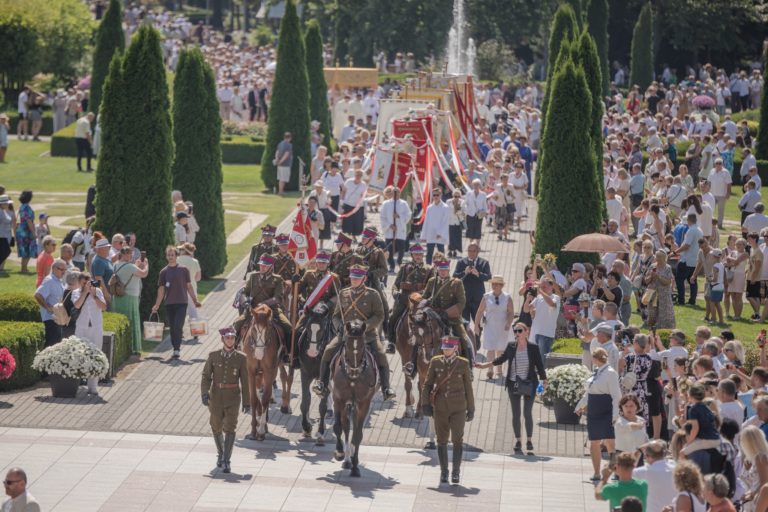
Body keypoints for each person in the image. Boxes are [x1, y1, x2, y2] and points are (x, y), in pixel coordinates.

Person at [314, 264, 395, 400]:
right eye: (353, 278)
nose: (354, 280)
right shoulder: (343, 293)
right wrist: (341, 327)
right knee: (328, 350)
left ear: (363, 278)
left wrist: (365, 325)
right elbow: (336, 316)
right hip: (346, 334)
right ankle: (322, 383)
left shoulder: (372, 294)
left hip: (367, 335)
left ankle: (386, 388)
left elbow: (379, 315)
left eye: (357, 278)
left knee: (381, 355)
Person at [477, 322, 546, 453]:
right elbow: (501, 359)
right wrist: (485, 365)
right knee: (516, 414)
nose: (517, 333)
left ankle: (529, 440)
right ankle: (518, 440)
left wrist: (544, 381)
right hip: (513, 384)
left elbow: (540, 366)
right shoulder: (511, 346)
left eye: (520, 331)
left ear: (527, 332)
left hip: (529, 384)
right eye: (515, 331)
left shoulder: (533, 348)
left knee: (527, 413)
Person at [422, 335, 475, 485]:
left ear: (455, 348)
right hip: (440, 408)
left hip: (458, 407)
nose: (446, 351)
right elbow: (427, 384)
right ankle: (444, 472)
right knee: (441, 441)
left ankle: (456, 472)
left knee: (457, 440)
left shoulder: (463, 363)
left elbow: (468, 388)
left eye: (449, 348)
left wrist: (471, 408)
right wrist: (425, 404)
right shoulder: (435, 361)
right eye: (444, 348)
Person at [201, 326, 250, 474]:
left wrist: (247, 402)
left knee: (230, 427)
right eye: (227, 338)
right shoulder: (213, 356)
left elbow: (245, 381)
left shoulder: (241, 358)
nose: (230, 340)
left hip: (233, 398)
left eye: (232, 338)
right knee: (216, 426)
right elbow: (206, 376)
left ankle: (226, 460)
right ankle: (221, 453)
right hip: (215, 397)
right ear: (223, 339)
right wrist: (204, 393)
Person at [576, 347, 622, 480]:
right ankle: (596, 472)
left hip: (606, 410)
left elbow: (616, 396)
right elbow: (589, 392)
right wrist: (579, 406)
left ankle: (616, 471)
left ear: (596, 359)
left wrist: (615, 416)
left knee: (610, 442)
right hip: (594, 411)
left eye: (593, 357)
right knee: (594, 441)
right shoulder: (596, 372)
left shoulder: (610, 373)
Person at [421, 256, 475, 367]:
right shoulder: (432, 282)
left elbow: (461, 303)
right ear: (437, 270)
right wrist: (425, 304)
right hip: (433, 317)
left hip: (451, 319)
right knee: (418, 336)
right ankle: (412, 365)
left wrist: (446, 313)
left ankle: (469, 367)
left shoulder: (456, 283)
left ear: (449, 270)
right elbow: (424, 298)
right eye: (441, 270)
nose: (443, 272)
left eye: (445, 270)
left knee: (465, 340)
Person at [151, 246, 202, 359]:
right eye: (168, 255)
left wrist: (195, 300)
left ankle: (177, 349)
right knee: (173, 327)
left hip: (182, 302)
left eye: (172, 255)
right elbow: (161, 290)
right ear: (166, 256)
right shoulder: (163, 272)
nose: (170, 257)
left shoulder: (183, 270)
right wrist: (157, 305)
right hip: (169, 303)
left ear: (176, 256)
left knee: (178, 326)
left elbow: (189, 287)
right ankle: (175, 347)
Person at [389, 244, 433, 350]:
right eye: (415, 254)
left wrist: (420, 295)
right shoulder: (405, 267)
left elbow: (431, 288)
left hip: (420, 301)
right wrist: (395, 292)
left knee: (432, 319)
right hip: (404, 299)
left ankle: (431, 341)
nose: (418, 256)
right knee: (393, 317)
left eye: (420, 254)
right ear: (412, 255)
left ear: (423, 255)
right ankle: (391, 342)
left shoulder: (429, 269)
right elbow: (396, 283)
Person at [72, 271, 108, 395]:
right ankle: (76, 384)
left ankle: (92, 386)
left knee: (96, 355)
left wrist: (94, 295)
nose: (86, 285)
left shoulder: (97, 291)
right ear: (79, 283)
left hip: (95, 328)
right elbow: (77, 305)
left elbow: (103, 307)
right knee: (78, 355)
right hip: (81, 328)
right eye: (83, 283)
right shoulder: (75, 293)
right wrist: (84, 293)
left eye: (87, 283)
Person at [473, 276, 515, 380]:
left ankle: (499, 369)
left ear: (501, 286)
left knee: (500, 348)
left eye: (496, 284)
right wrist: (476, 325)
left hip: (503, 326)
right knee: (490, 348)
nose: (494, 286)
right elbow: (479, 311)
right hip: (490, 325)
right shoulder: (486, 296)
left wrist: (509, 323)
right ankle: (490, 369)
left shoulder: (507, 297)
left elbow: (511, 312)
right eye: (493, 284)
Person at [112, 247, 149, 354]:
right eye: (129, 254)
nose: (131, 256)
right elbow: (144, 274)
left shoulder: (115, 265)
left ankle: (120, 348)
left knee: (120, 322)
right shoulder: (130, 266)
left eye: (131, 254)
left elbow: (129, 273)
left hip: (118, 297)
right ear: (123, 254)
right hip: (130, 297)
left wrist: (136, 266)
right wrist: (146, 265)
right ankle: (133, 348)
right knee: (132, 321)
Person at [453, 242, 491, 329]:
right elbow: (454, 276)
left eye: (474, 251)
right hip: (464, 299)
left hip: (478, 300)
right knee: (464, 325)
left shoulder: (484, 263)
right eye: (469, 251)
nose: (471, 253)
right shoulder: (461, 262)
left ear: (478, 251)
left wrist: (478, 274)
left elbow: (488, 277)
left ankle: (477, 342)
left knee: (479, 325)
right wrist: (464, 272)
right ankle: (466, 342)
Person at [633, 440, 677, 512]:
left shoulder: (641, 472)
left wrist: (639, 451)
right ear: (665, 454)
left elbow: (626, 472)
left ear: (646, 456)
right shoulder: (677, 469)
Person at [524, 276, 560, 360]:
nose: (542, 288)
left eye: (544, 286)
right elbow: (526, 310)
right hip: (535, 332)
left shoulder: (556, 298)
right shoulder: (539, 297)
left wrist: (540, 291)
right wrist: (527, 300)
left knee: (543, 360)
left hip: (546, 333)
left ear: (551, 286)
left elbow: (551, 304)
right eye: (541, 286)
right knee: (533, 358)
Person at [34, 259, 67, 348]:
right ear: (54, 268)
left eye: (65, 270)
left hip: (58, 319)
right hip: (50, 320)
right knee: (51, 347)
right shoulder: (50, 280)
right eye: (61, 269)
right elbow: (38, 295)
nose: (64, 272)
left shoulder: (58, 280)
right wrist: (47, 307)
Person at [673, 213, 703, 305]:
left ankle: (681, 300)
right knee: (693, 280)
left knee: (679, 279)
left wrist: (675, 252)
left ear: (689, 221)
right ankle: (692, 300)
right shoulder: (700, 230)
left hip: (686, 259)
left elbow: (686, 245)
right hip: (694, 260)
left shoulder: (691, 231)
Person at [380, 186, 411, 272]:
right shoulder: (386, 204)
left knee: (401, 249)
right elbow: (382, 217)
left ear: (400, 193)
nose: (396, 194)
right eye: (394, 192)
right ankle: (392, 266)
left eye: (397, 192)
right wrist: (390, 225)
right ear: (391, 193)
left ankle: (399, 262)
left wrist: (399, 216)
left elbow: (408, 215)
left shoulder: (404, 203)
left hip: (400, 230)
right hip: (389, 231)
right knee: (389, 250)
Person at [646, 250, 676, 328]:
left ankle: (664, 329)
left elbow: (668, 282)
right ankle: (652, 328)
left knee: (665, 313)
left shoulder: (667, 268)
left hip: (664, 295)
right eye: (657, 256)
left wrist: (658, 277)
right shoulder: (652, 266)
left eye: (659, 257)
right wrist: (651, 276)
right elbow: (646, 281)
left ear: (664, 258)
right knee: (652, 313)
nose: (657, 258)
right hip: (652, 294)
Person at [421, 188, 450, 264]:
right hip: (431, 233)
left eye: (437, 195)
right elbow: (426, 222)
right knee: (429, 253)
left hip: (440, 234)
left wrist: (440, 233)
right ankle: (428, 268)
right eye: (434, 195)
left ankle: (442, 267)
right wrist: (424, 235)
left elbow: (445, 221)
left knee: (441, 253)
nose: (436, 197)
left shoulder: (445, 207)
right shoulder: (429, 208)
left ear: (440, 195)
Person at [177, 243, 202, 321]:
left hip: (179, 288)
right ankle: (195, 330)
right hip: (192, 288)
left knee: (179, 310)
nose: (180, 251)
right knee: (193, 311)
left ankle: (178, 330)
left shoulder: (177, 260)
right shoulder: (195, 261)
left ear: (185, 251)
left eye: (181, 249)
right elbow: (198, 278)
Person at [14, 190, 36, 273]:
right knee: (27, 249)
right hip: (26, 231)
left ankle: (24, 268)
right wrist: (33, 232)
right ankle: (24, 268)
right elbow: (29, 221)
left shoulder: (21, 207)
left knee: (24, 250)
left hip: (20, 230)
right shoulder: (27, 207)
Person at [464, 179, 487, 246]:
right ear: (472, 185)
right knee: (470, 229)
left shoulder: (483, 194)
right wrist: (466, 211)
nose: (476, 186)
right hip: (470, 214)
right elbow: (466, 203)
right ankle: (471, 244)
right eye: (474, 184)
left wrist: (485, 212)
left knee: (478, 229)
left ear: (480, 185)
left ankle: (477, 245)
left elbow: (485, 204)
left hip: (479, 215)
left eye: (477, 184)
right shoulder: (469, 193)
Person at [447, 190, 466, 258]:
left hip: (458, 222)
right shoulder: (448, 202)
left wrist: (459, 211)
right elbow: (447, 211)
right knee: (450, 237)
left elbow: (465, 212)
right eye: (455, 196)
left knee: (457, 237)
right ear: (453, 196)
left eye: (458, 196)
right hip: (450, 221)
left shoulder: (462, 202)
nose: (457, 197)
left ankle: (455, 250)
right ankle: (450, 250)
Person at [274, 132, 293, 196]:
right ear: (290, 138)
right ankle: (281, 192)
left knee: (280, 178)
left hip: (280, 164)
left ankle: (280, 191)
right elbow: (286, 154)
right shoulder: (289, 145)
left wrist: (277, 159)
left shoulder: (280, 143)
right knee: (283, 179)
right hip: (285, 164)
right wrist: (281, 161)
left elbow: (277, 152)